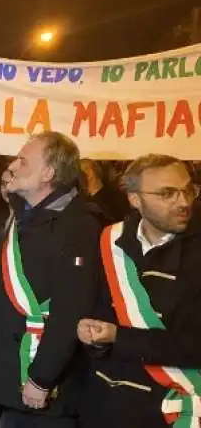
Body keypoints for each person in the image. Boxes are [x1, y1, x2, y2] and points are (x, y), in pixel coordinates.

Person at [0, 132, 100, 428]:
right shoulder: (23, 214)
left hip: (42, 385)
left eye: (23, 160)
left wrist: (42, 378)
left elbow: (71, 309)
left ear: (48, 173)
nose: (13, 166)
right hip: (9, 375)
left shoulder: (79, 225)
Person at [79, 155, 201, 428]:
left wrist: (119, 337)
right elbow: (94, 308)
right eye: (167, 193)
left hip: (171, 410)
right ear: (135, 199)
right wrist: (92, 336)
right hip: (104, 408)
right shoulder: (108, 240)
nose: (183, 202)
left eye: (188, 190)